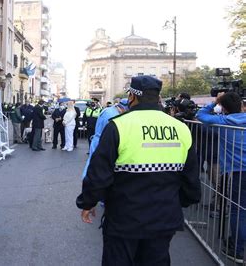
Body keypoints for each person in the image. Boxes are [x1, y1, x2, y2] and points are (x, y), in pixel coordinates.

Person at [76, 75, 201, 266]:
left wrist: (88, 202)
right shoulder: (180, 128)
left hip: (124, 217)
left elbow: (99, 173)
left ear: (132, 97)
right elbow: (190, 176)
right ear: (158, 97)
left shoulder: (119, 125)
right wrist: (178, 202)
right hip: (164, 216)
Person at [196, 92, 246, 263]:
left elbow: (200, 115)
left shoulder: (224, 121)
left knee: (238, 210)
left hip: (238, 171)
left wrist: (213, 102)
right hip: (239, 171)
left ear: (223, 107)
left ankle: (237, 249)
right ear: (241, 105)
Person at [82, 98, 129, 177]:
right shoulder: (113, 115)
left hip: (98, 140)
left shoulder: (109, 110)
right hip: (102, 141)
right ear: (122, 108)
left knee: (93, 164)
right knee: (97, 167)